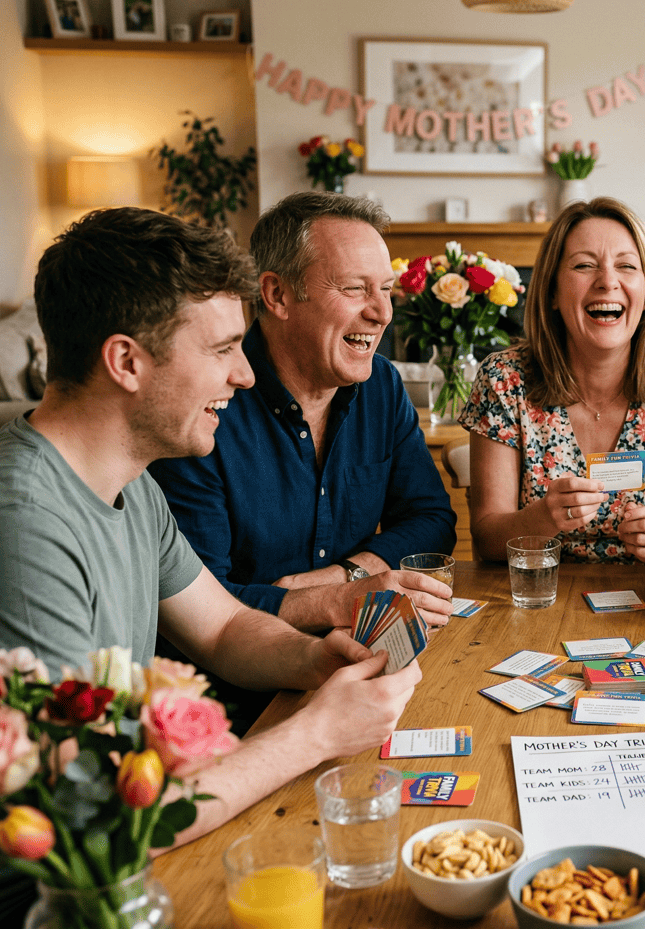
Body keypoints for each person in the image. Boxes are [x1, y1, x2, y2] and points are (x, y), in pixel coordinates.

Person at [0, 208, 423, 853]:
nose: (246, 374)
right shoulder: (25, 524)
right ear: (126, 362)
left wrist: (317, 658)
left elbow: (223, 627)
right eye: (223, 349)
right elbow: (96, 822)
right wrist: (315, 732)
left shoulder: (132, 482)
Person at [149, 192, 456, 634]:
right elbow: (198, 601)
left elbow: (432, 521)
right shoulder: (206, 403)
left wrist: (347, 576)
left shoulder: (381, 385)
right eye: (354, 288)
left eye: (386, 289)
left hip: (358, 651)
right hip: (239, 683)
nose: (383, 313)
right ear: (277, 294)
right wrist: (330, 603)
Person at [461, 197, 645, 564]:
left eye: (627, 266)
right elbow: (487, 541)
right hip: (536, 601)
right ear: (552, 291)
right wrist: (544, 517)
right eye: (585, 265)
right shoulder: (504, 380)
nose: (607, 282)